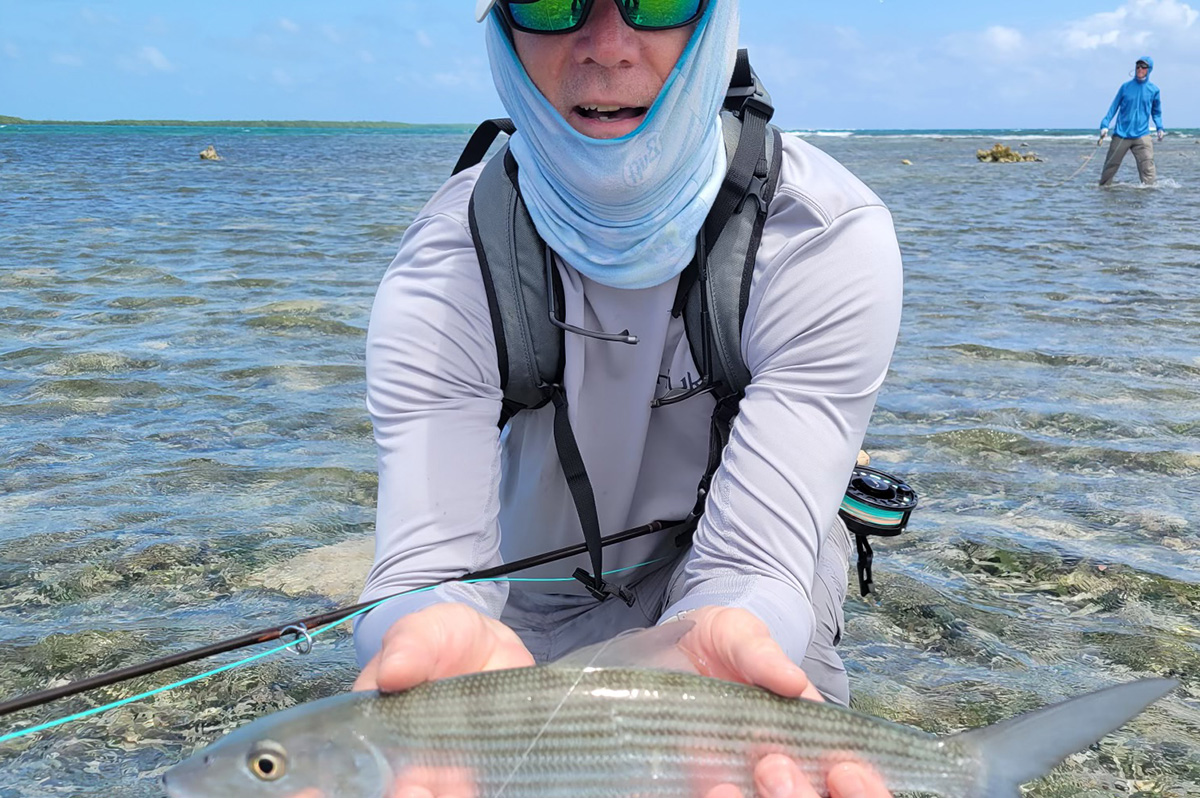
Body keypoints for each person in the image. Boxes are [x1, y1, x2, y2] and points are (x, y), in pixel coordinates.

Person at [354, 1, 903, 796]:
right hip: (536, 589)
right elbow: (430, 566)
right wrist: (418, 627)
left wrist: (727, 627)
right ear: (502, 32)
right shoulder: (446, 260)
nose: (607, 47)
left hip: (748, 591)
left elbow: (754, 561)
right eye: (548, 0)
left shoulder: (825, 237)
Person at [1098, 56, 1164, 186]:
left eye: (1143, 67)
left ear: (1149, 69)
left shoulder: (1154, 90)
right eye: (1138, 66)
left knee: (1148, 168)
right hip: (1122, 134)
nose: (1140, 69)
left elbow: (1156, 112)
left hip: (1142, 135)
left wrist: (1159, 127)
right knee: (1110, 166)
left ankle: (1149, 199)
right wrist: (1105, 125)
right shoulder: (1125, 87)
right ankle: (1103, 193)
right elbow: (1113, 107)